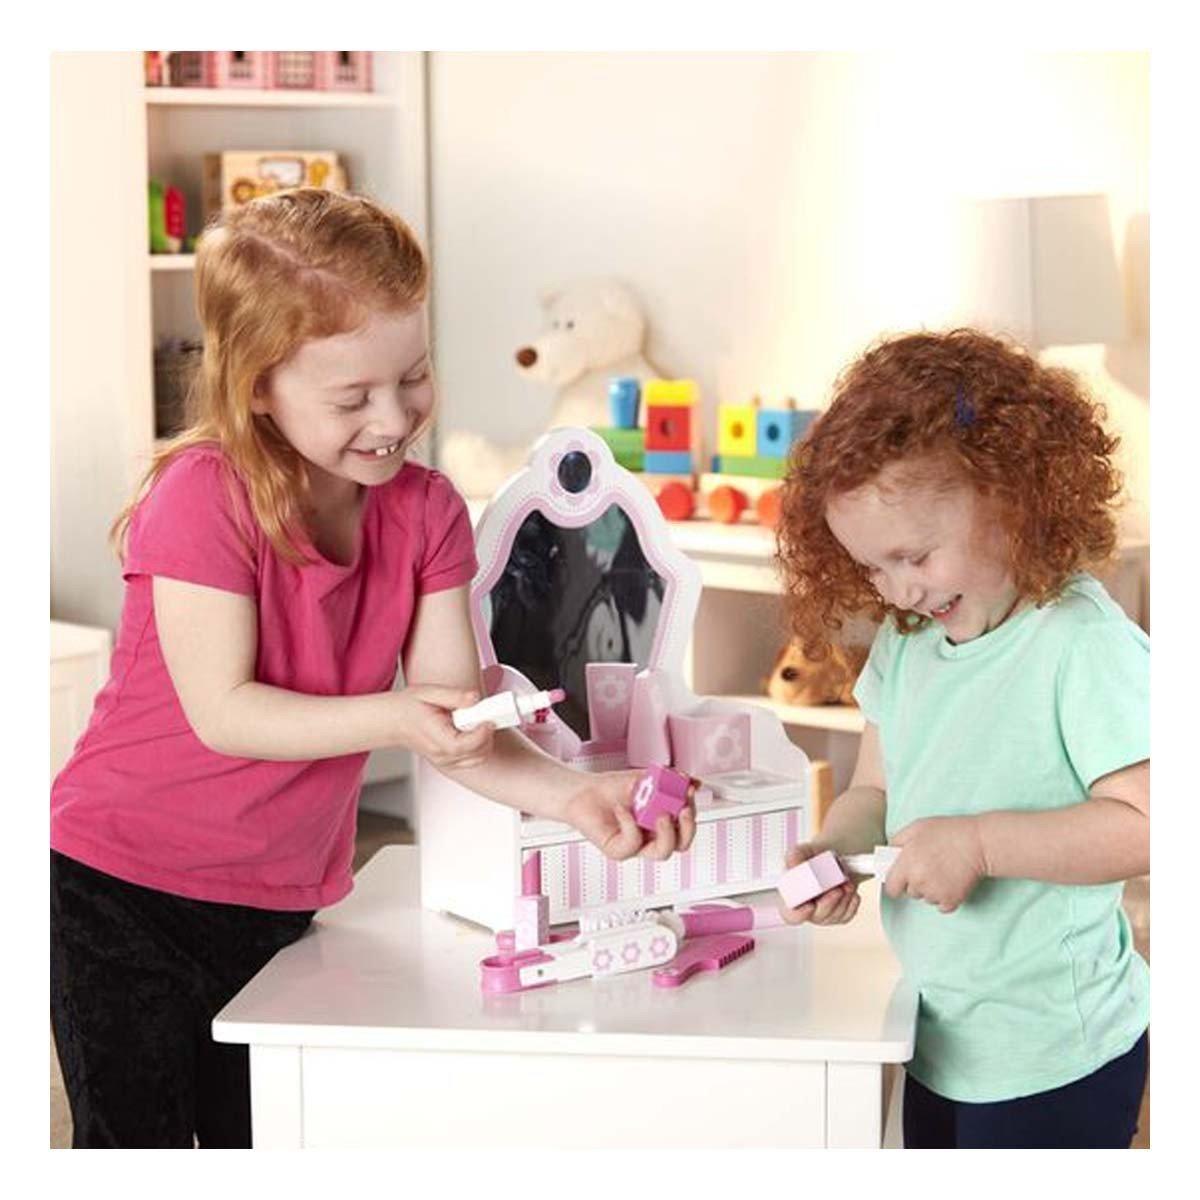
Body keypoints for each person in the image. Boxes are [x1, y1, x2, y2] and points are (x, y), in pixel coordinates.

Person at [50, 188, 695, 1148]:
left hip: (276, 895)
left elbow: (456, 724)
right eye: (352, 398)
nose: (395, 418)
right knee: (136, 1152)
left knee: (259, 1142)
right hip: (119, 887)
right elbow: (227, 712)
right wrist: (396, 714)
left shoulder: (426, 510)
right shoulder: (201, 495)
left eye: (415, 376)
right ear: (256, 386)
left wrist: (573, 796)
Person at [774, 328, 1149, 1148]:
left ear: (1012, 498)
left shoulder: (1080, 644)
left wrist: (980, 844)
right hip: (939, 1032)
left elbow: (1154, 823)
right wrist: (834, 850)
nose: (897, 590)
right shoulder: (908, 642)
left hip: (1055, 1051)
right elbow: (875, 788)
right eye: (873, 567)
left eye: (914, 556)